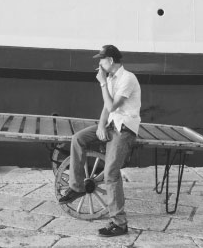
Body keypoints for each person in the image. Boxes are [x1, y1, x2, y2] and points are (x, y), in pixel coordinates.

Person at [58, 44, 141, 237]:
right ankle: (77, 187)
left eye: (101, 60)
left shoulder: (127, 78)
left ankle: (120, 224)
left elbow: (111, 105)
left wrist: (102, 83)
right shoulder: (112, 78)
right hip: (111, 125)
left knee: (111, 173)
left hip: (125, 130)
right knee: (78, 138)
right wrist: (101, 126)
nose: (99, 64)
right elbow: (106, 108)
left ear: (110, 61)